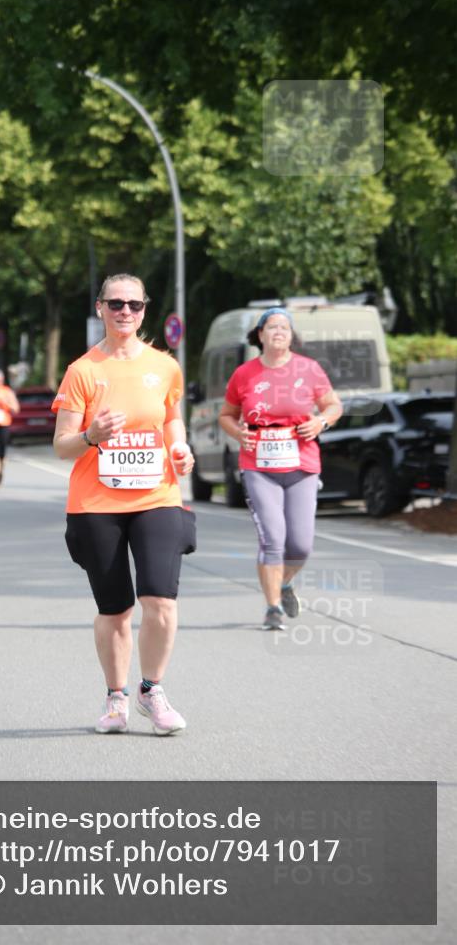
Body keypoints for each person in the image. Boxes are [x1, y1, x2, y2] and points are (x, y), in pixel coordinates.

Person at [52, 273, 196, 736]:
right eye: (116, 304)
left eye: (134, 304)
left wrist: (181, 449)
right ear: (100, 308)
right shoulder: (83, 371)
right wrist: (92, 436)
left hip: (158, 495)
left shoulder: (164, 367)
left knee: (161, 600)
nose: (125, 312)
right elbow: (61, 446)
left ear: (144, 310)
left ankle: (151, 691)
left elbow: (172, 419)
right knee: (115, 609)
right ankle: (116, 699)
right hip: (96, 503)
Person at [218, 306, 343, 630]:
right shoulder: (244, 374)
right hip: (258, 464)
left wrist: (320, 422)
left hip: (302, 462)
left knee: (300, 544)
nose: (279, 332)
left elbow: (334, 405)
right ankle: (272, 607)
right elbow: (226, 415)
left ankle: (284, 583)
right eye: (272, 327)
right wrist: (236, 432)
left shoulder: (310, 369)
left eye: (285, 328)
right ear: (260, 335)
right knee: (273, 538)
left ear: (291, 335)